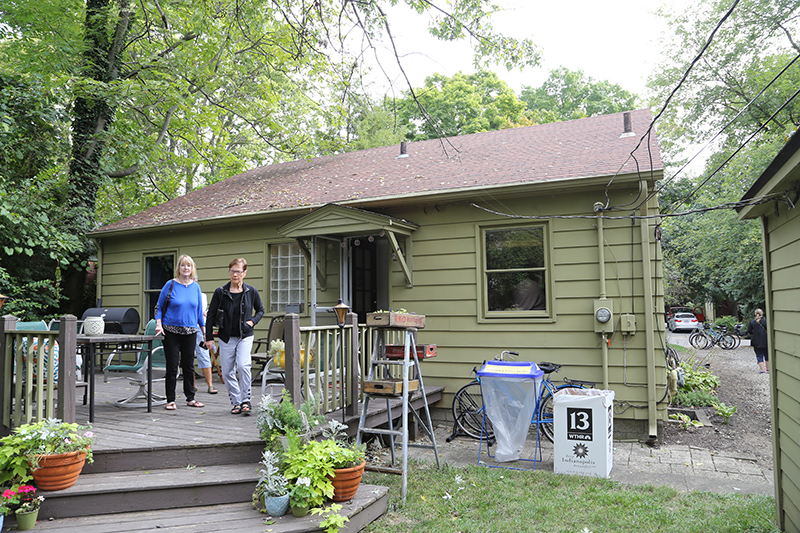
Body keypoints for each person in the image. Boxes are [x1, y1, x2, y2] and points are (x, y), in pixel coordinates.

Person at [205, 258, 264, 415]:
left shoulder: (251, 292)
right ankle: (236, 402)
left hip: (245, 335)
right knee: (227, 372)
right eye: (232, 271)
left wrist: (252, 322)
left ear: (244, 273)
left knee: (243, 366)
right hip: (226, 337)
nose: (235, 274)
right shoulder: (221, 292)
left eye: (238, 271)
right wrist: (209, 337)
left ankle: (246, 400)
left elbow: (260, 311)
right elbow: (210, 315)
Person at [154, 255, 206, 410]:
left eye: (188, 266)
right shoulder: (170, 284)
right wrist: (159, 324)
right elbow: (159, 307)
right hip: (170, 330)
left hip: (190, 331)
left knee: (189, 365)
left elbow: (198, 312)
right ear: (179, 268)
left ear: (192, 268)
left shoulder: (195, 287)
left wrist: (204, 331)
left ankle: (190, 398)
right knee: (172, 366)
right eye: (183, 265)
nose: (186, 268)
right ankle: (170, 400)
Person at [194, 291, 218, 394]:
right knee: (188, 356)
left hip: (200, 329)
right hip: (186, 329)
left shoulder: (202, 295)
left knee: (204, 354)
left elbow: (202, 311)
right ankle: (192, 385)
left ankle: (210, 385)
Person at [747, 308, 769, 374]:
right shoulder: (766, 321)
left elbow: (750, 331)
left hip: (756, 341)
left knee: (759, 355)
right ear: (762, 314)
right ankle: (768, 369)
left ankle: (762, 370)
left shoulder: (752, 322)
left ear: (755, 314)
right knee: (767, 354)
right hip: (765, 340)